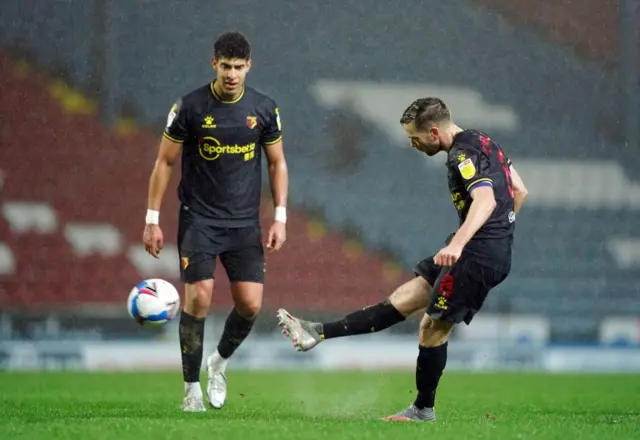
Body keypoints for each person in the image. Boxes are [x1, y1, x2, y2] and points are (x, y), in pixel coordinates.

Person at [277, 97, 528, 422]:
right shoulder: (483, 141)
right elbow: (519, 191)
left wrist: (470, 241)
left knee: (432, 328)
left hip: (475, 252)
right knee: (405, 298)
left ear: (434, 132)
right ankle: (316, 332)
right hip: (480, 247)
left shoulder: (462, 155)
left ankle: (423, 409)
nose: (411, 143)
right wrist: (500, 234)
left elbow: (486, 199)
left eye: (415, 137)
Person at [143, 31, 288, 412]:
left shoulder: (264, 109)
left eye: (239, 67)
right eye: (226, 66)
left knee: (250, 305)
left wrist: (280, 217)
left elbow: (277, 163)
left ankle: (218, 363)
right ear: (214, 64)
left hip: (244, 224)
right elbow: (164, 162)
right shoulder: (189, 107)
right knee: (199, 297)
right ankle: (191, 390)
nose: (232, 74)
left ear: (249, 67)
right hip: (199, 220)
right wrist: (152, 219)